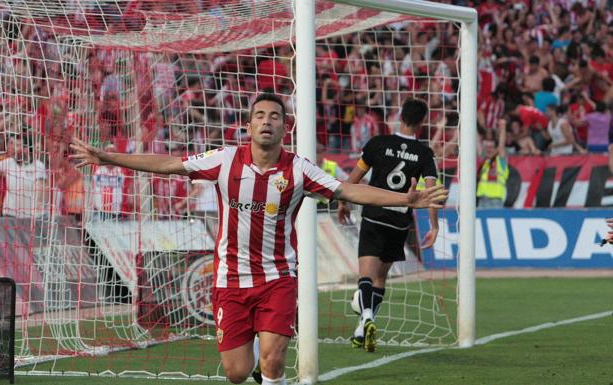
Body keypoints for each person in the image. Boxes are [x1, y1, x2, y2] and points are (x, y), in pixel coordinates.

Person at [70, 93, 448, 385]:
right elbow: (169, 164)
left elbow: (351, 192)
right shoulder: (224, 160)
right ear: (248, 126)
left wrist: (406, 199)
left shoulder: (299, 169)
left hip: (278, 278)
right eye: (260, 116)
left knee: (273, 359)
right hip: (229, 280)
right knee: (236, 372)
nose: (267, 122)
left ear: (286, 127)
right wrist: (108, 157)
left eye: (275, 117)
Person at [336, 99, 440, 353]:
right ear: (422, 122)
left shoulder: (377, 144)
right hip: (399, 219)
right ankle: (363, 325)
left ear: (399, 116)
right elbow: (431, 191)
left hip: (373, 214)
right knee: (381, 277)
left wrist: (343, 201)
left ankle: (367, 316)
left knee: (366, 275)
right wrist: (434, 225)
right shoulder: (425, 154)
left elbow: (355, 178)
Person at [0, 135, 48, 218]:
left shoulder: (38, 165)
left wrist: (37, 210)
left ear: (30, 149)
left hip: (29, 216)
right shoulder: (9, 162)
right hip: (9, 215)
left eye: (23, 147)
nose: (19, 149)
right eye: (17, 146)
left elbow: (40, 190)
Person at [477, 119, 509, 208]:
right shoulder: (484, 161)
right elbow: (477, 143)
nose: (489, 150)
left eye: (491, 148)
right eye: (487, 148)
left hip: (496, 200)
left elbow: (501, 145)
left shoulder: (500, 160)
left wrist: (503, 128)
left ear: (496, 149)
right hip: (482, 199)